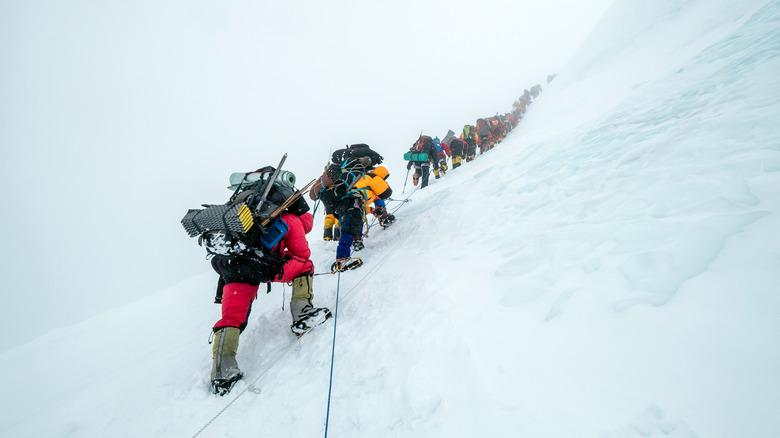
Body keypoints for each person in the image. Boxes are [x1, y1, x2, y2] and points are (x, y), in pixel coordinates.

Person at [182, 165, 331, 395]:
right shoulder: (291, 219)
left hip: (231, 267)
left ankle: (222, 371)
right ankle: (303, 315)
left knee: (232, 316)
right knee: (305, 267)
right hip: (261, 267)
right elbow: (302, 255)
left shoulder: (245, 211)